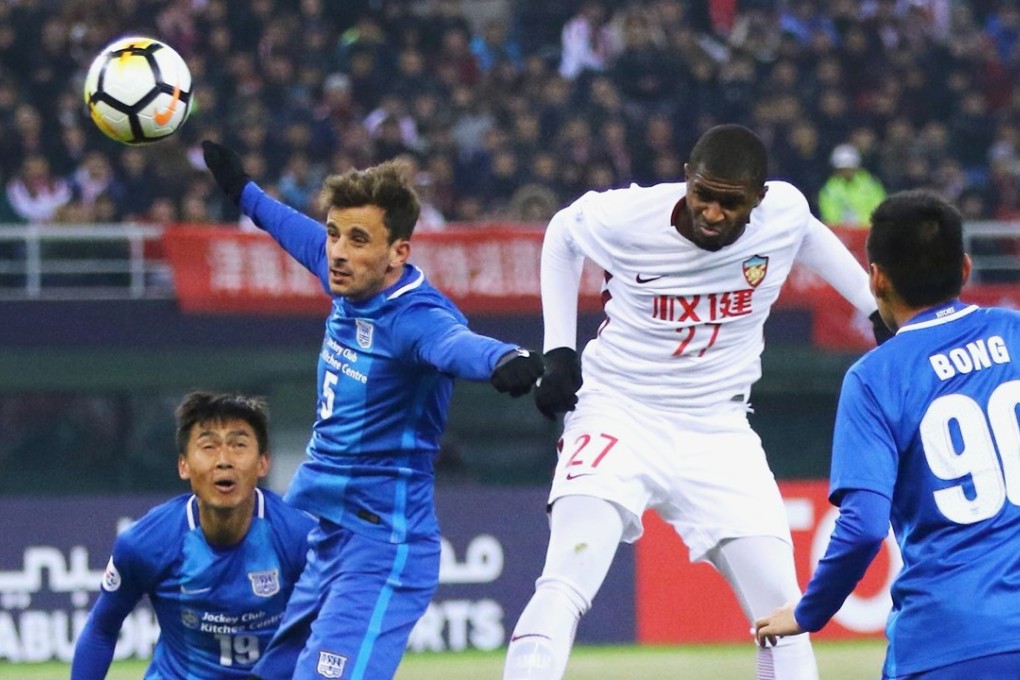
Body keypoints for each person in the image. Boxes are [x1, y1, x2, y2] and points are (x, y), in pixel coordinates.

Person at [503, 124, 891, 680]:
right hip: (619, 411)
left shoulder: (782, 213)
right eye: (702, 195)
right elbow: (562, 234)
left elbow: (807, 232)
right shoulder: (628, 217)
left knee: (784, 610)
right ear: (686, 178)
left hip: (719, 427)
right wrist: (559, 349)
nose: (710, 212)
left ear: (758, 199)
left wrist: (869, 305)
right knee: (566, 578)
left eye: (729, 203)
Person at [200, 140, 545, 680]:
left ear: (398, 253)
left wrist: (505, 358)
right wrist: (242, 191)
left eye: (357, 239)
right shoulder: (346, 275)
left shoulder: (415, 319)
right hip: (328, 539)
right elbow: (291, 228)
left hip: (383, 549)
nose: (337, 250)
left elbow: (456, 344)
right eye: (335, 233)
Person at [755, 190, 1020, 677]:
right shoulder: (1015, 332)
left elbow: (864, 527)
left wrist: (808, 612)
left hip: (945, 643)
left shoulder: (875, 377)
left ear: (875, 279)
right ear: (964, 269)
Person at [70, 391, 316, 679]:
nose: (224, 460)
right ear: (183, 465)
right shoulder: (145, 543)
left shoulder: (303, 539)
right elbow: (102, 628)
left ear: (263, 462)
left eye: (238, 445)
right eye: (209, 446)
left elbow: (334, 628)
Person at [817, 143, 887, 229]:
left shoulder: (870, 185)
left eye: (849, 168)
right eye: (843, 169)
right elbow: (829, 215)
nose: (846, 172)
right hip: (842, 234)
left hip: (868, 231)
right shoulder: (829, 189)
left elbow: (880, 207)